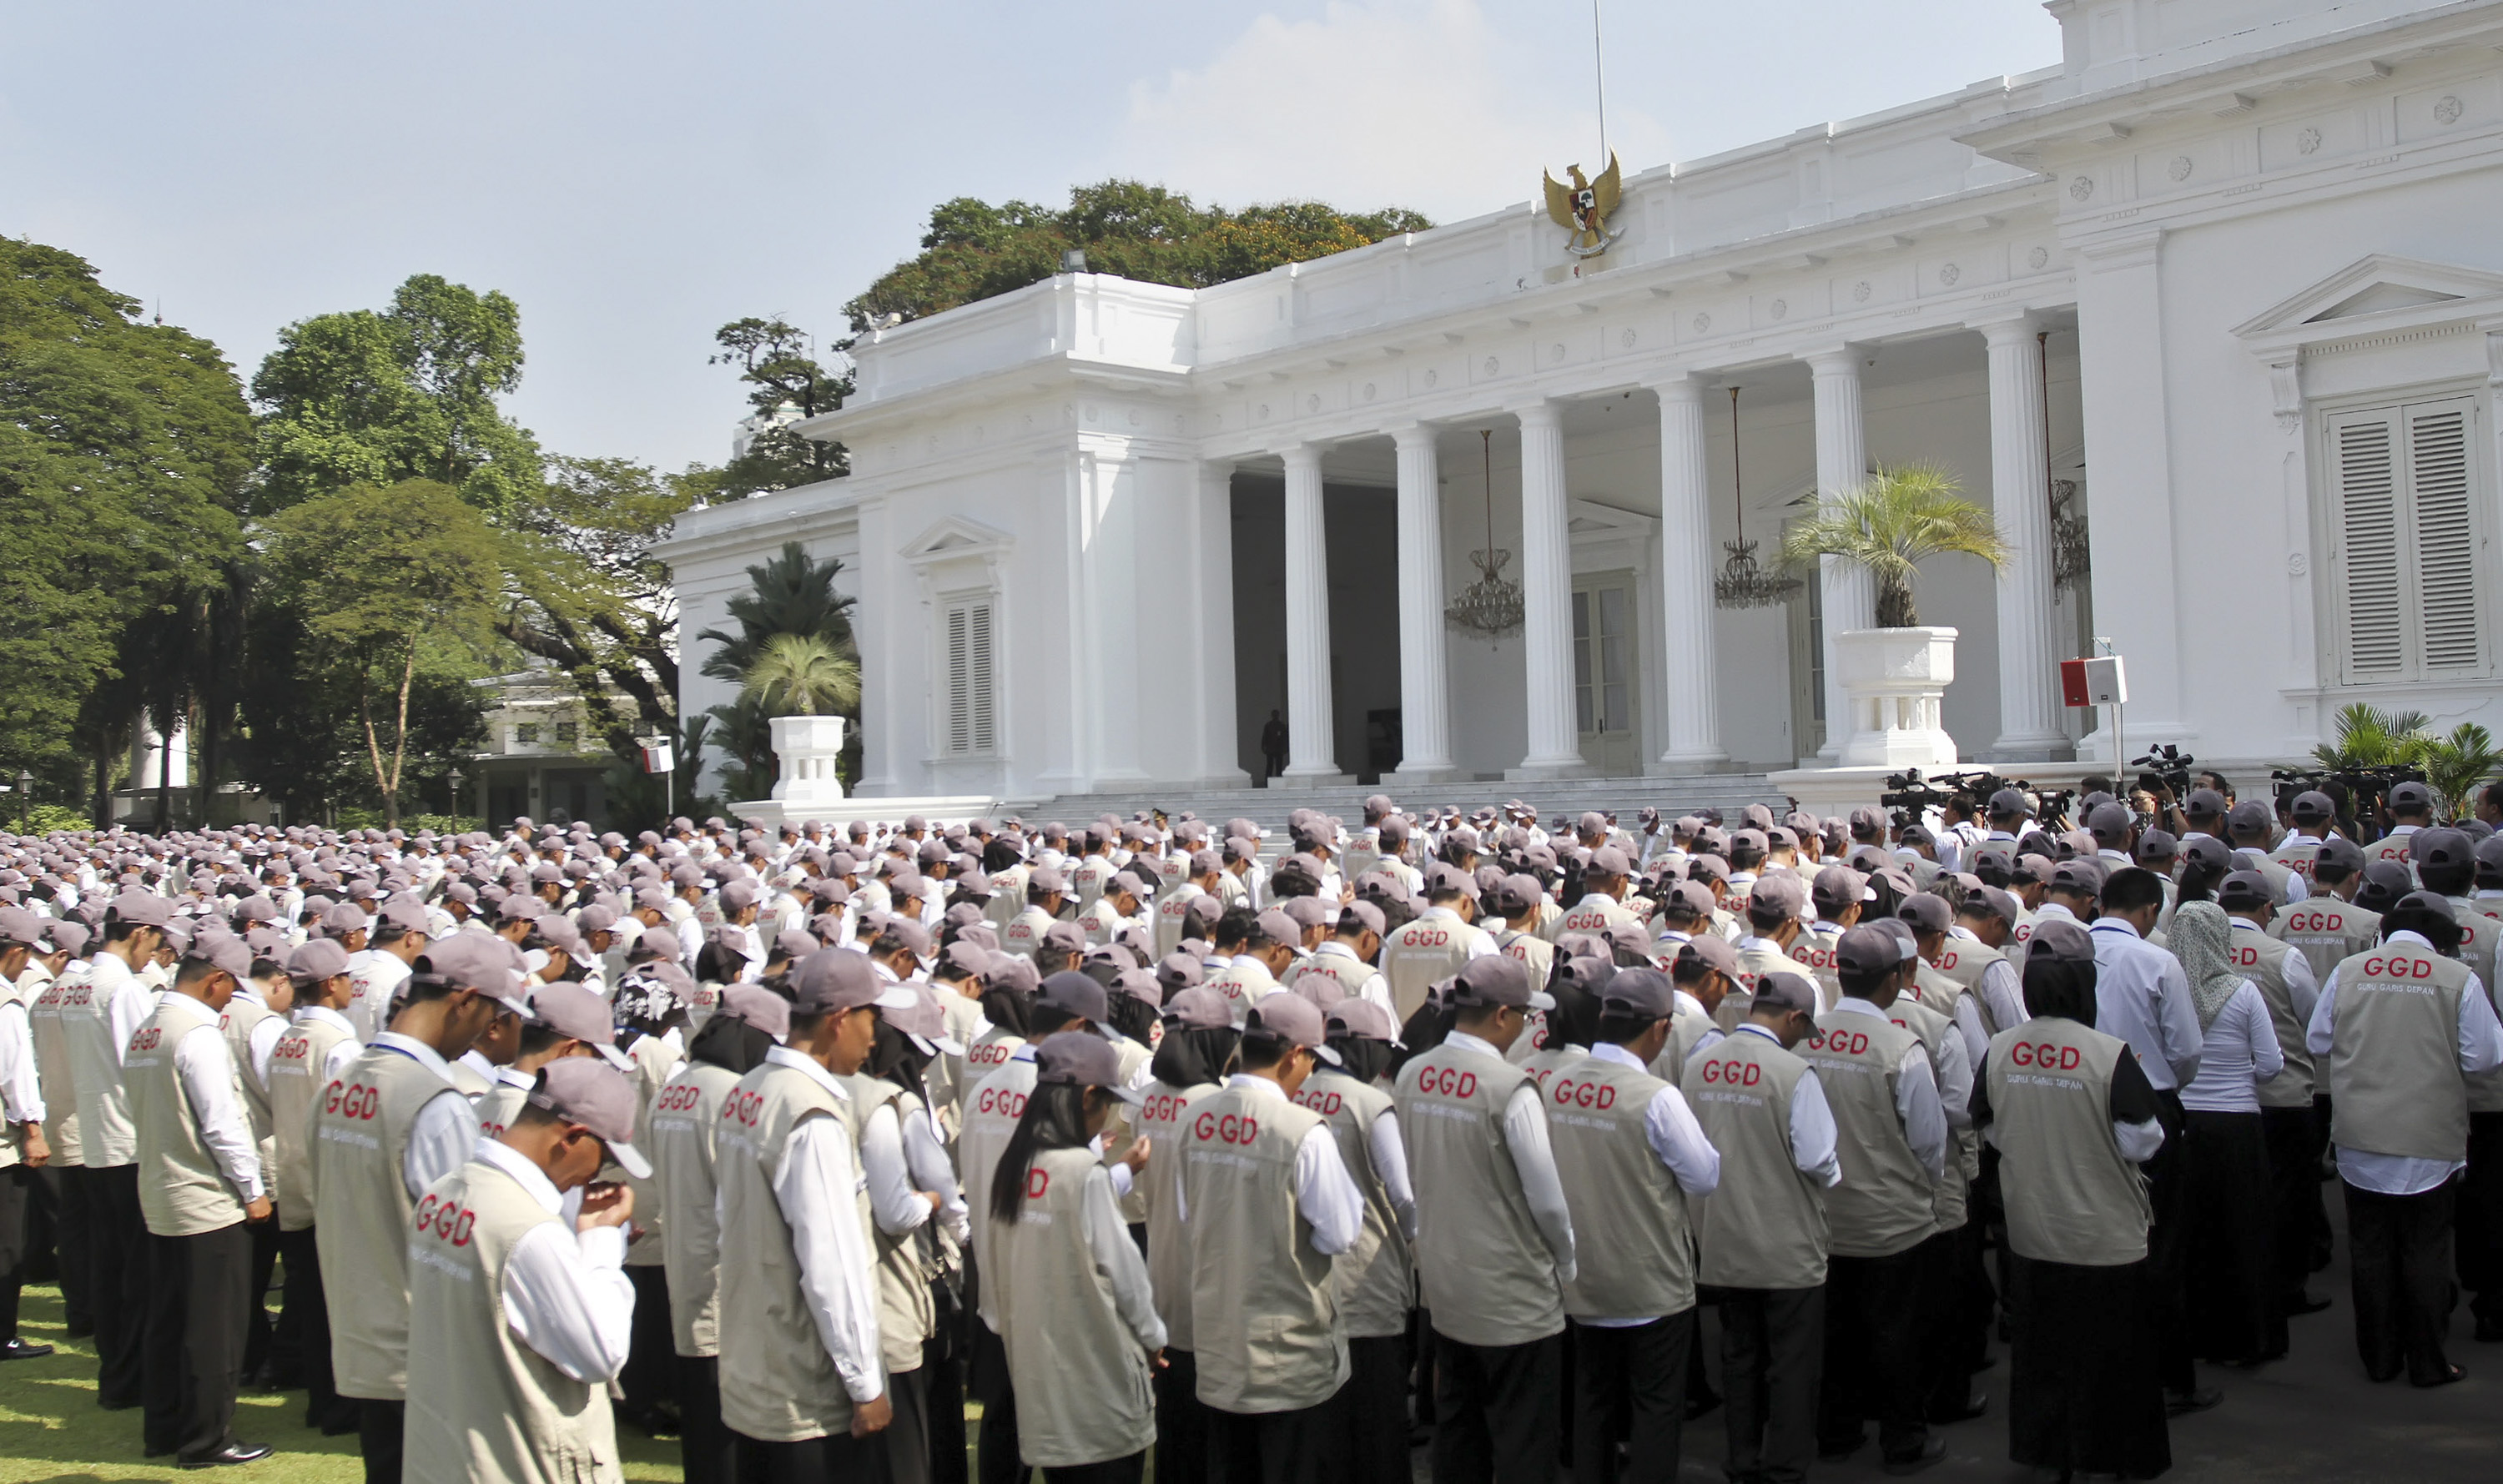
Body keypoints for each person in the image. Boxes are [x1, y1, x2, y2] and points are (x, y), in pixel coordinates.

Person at [1971, 919, 2171, 1480]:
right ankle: (2109, 1457)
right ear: (2086, 983)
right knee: (2112, 1358)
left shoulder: (2001, 1048)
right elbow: (2143, 1139)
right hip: (2104, 1238)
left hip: (2033, 1231)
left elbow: (1984, 1122)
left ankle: (2048, 1453)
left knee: (2044, 1355)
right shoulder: (2107, 1054)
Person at [315, 933, 511, 1484]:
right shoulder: (434, 1102)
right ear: (464, 1001)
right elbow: (463, 1241)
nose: (486, 1033)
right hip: (425, 1345)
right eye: (490, 1016)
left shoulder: (342, 1083)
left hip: (363, 1331)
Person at [713, 947, 915, 1479]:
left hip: (754, 1362)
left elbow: (726, 1222)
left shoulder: (747, 1091)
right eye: (871, 1020)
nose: (874, 1039)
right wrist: (865, 1384)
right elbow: (832, 1265)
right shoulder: (811, 1115)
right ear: (839, 1020)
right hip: (805, 1387)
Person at [402, 1059, 646, 1483]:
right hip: (516, 1461)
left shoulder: (443, 1193)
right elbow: (600, 1353)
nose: (595, 1175)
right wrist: (603, 1239)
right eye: (604, 1158)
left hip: (449, 1455)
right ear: (572, 1137)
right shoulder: (530, 1231)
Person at [2304, 891, 2503, 1386]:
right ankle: (2429, 1363)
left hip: (2360, 1133)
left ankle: (2380, 1357)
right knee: (2425, 1248)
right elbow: (2484, 1057)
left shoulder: (2349, 971)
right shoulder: (2457, 978)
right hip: (2428, 1134)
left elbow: (2317, 1041)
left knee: (2370, 1247)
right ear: (2442, 941)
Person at [1393, 953, 1574, 1484]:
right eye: (1524, 1015)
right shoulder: (1509, 1086)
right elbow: (1547, 1200)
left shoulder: (1413, 1074)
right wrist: (1565, 1259)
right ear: (1501, 1016)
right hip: (1513, 1293)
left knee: (1460, 1427)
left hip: (1446, 1283)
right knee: (1524, 1439)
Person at [1545, 966, 1720, 1484]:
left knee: (1593, 1402)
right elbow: (1704, 1177)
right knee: (1655, 1408)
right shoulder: (1655, 1096)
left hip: (1581, 1277)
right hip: (1650, 1282)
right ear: (1661, 1028)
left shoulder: (1555, 1086)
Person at [1179, 994, 1362, 1483]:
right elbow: (1341, 1233)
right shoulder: (1302, 1131)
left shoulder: (1194, 1118)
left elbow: (1188, 1213)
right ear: (1294, 1056)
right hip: (1287, 1356)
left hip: (1220, 1347)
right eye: (1311, 1060)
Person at [123, 932, 274, 1468]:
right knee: (215, 1327)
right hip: (207, 1199)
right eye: (231, 990)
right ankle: (207, 1438)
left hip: (160, 1191)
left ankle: (164, 1429)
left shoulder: (147, 1029)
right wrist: (253, 1191)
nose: (231, 1001)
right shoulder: (199, 1035)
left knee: (167, 1319)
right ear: (217, 981)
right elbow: (222, 1125)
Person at [990, 1032, 1166, 1484]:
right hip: (1096, 1377)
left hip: (1041, 1380)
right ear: (1088, 1097)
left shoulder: (1014, 1166)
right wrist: (1153, 1337)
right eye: (1107, 1102)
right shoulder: (1084, 1174)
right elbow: (1126, 1275)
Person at [1805, 925, 1948, 1474]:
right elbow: (1929, 1141)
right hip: (1892, 1222)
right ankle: (1903, 1439)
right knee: (1898, 1335)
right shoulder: (1900, 1048)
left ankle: (1837, 1431)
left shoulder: (1806, 1036)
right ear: (1893, 980)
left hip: (1825, 1219)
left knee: (1834, 1332)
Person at [1685, 971, 1837, 1484]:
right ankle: (1786, 1465)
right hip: (1786, 1246)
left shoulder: (1700, 1065)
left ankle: (1742, 1458)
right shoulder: (1793, 1073)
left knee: (1739, 1355)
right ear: (1795, 1018)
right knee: (1792, 1363)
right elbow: (1818, 1159)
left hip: (1723, 1239)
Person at [2088, 865, 2214, 1415]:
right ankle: (2170, 1379)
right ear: (2149, 911)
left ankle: (2110, 1371)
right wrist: (2163, 1088)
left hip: (2081, 1098)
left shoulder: (2068, 948)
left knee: (2095, 1235)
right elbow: (2186, 1049)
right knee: (2160, 1243)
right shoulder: (2157, 960)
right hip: (2149, 1099)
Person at [651, 984, 785, 1484]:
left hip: (684, 1266)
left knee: (702, 1421)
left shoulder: (675, 1087)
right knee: (732, 1425)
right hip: (727, 1278)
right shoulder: (734, 1096)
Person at [54, 891, 170, 1411]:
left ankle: (116, 1373)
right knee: (135, 1269)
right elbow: (142, 1064)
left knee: (107, 1262)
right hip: (127, 1141)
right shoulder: (122, 989)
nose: (155, 954)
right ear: (141, 933)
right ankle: (131, 1375)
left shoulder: (77, 983)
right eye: (156, 942)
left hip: (97, 1139)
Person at [1299, 1000, 1414, 1481]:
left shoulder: (1297, 1093)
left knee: (1328, 1428)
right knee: (1379, 1425)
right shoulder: (1371, 1104)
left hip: (1313, 1279)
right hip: (1370, 1278)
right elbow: (1403, 1194)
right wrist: (1415, 1244)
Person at [2168, 899, 2285, 1365]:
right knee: (2243, 1231)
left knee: (2189, 1231)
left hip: (2183, 1121)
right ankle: (2247, 1337)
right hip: (2236, 1121)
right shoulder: (2243, 992)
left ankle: (2192, 1333)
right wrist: (2240, 1077)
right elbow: (2272, 1064)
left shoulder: (2167, 989)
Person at [266, 937, 363, 1435]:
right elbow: (351, 1123)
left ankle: (320, 1401)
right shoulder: (338, 1044)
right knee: (336, 1306)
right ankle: (338, 1406)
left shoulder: (288, 1038)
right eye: (346, 977)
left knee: (309, 1298)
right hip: (329, 1191)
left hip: (294, 1184)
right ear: (331, 984)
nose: (352, 986)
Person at [0, 906, 52, 1362]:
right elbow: (15, 1073)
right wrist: (33, 1128)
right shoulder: (6, 1001)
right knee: (6, 1243)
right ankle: (3, 1335)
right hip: (1, 1145)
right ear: (16, 952)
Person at [1261, 711, 1288, 781]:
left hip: (1275, 749)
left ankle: (1271, 781)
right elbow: (1265, 737)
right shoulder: (1278, 725)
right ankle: (1270, 781)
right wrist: (1263, 746)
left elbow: (1285, 737)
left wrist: (1263, 747)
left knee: (1275, 766)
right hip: (1274, 749)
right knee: (1273, 766)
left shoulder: (1278, 725)